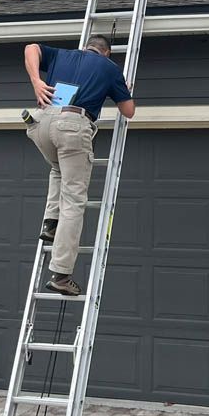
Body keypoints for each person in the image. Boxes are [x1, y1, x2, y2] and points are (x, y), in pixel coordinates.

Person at [23, 34, 135, 296]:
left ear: (86, 47)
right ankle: (61, 274)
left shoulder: (62, 54)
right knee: (74, 200)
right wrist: (124, 89)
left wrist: (37, 82)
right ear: (106, 53)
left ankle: (51, 223)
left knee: (57, 169)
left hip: (41, 123)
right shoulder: (110, 69)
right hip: (73, 126)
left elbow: (31, 47)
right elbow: (128, 111)